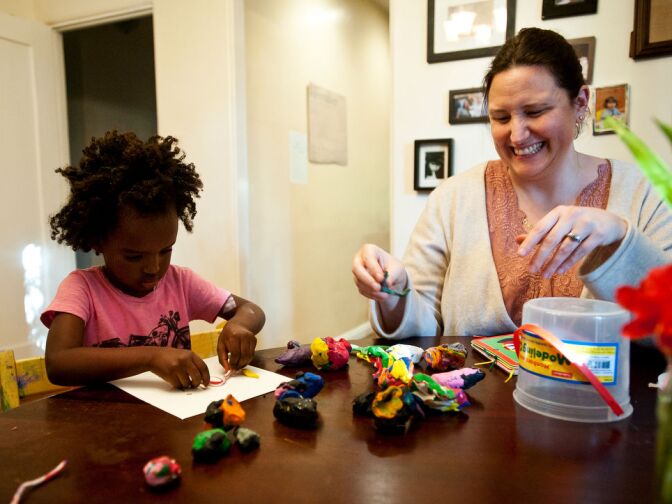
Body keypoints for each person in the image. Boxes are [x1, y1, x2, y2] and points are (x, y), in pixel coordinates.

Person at [352, 27, 672, 339]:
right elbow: (425, 327)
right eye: (501, 118)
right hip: (473, 393)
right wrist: (393, 293)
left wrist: (619, 237)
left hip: (608, 394)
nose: (517, 135)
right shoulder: (452, 199)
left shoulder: (643, 193)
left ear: (580, 102)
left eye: (535, 111)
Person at [41, 131, 265, 388]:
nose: (153, 268)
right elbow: (59, 363)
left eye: (166, 250)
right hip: (104, 423)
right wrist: (150, 356)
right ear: (97, 240)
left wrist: (238, 326)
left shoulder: (181, 282)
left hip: (174, 422)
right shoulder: (82, 289)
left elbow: (252, 311)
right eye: (134, 256)